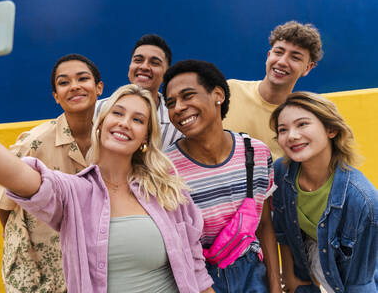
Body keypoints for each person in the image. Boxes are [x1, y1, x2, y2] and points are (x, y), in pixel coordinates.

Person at [0, 9, 215, 293]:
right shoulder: (75, 194)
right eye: (117, 113)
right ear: (101, 125)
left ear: (145, 137)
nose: (125, 123)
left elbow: (197, 274)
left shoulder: (168, 191)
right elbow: (13, 172)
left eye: (138, 119)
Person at [162, 60, 281, 292]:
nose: (178, 108)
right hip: (199, 279)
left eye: (188, 96)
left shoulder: (256, 152)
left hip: (253, 275)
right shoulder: (165, 168)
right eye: (171, 103)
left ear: (218, 95)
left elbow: (265, 224)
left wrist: (275, 286)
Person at [0, 54, 103, 292]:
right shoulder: (33, 143)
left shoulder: (112, 138)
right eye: (64, 83)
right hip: (35, 264)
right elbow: (2, 199)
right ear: (56, 96)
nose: (74, 86)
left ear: (99, 87)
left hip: (86, 258)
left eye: (83, 78)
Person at [270, 92, 378, 293]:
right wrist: (289, 274)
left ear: (331, 129)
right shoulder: (282, 172)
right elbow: (284, 230)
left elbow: (359, 283)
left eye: (302, 124)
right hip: (314, 263)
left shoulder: (362, 200)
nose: (292, 136)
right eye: (283, 130)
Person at [223, 21, 323, 160]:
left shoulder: (301, 122)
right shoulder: (229, 91)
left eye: (295, 57)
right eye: (278, 52)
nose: (282, 61)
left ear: (307, 68)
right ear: (269, 55)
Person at [95, 34, 183, 149]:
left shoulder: (176, 122)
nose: (144, 67)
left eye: (154, 63)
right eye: (138, 60)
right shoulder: (97, 110)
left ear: (166, 74)